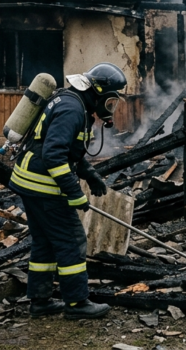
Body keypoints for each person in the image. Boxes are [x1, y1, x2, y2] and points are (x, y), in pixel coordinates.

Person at [9, 62, 126, 320]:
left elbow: (69, 152)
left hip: (29, 183)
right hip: (44, 188)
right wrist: (74, 192)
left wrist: (90, 175)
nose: (110, 108)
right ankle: (77, 303)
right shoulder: (72, 110)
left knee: (45, 242)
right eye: (110, 101)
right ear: (97, 92)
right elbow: (54, 155)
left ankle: (40, 301)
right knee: (71, 241)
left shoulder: (70, 101)